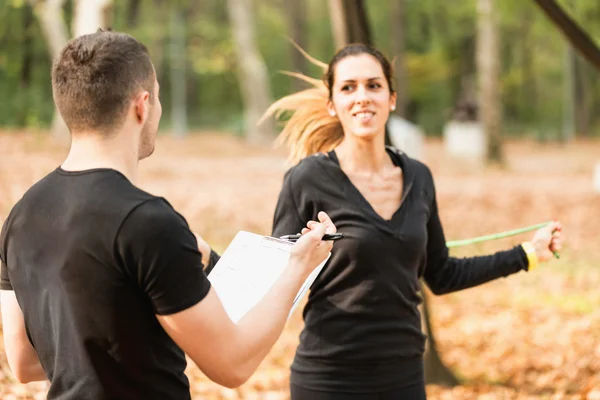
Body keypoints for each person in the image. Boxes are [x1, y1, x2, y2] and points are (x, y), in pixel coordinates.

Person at [0, 30, 337, 400]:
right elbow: (232, 364)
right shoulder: (147, 223)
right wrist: (298, 266)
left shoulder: (19, 219)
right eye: (158, 98)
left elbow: (24, 362)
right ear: (142, 106)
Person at [263, 43, 563, 399]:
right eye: (348, 87)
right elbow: (271, 281)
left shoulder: (419, 178)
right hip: (328, 378)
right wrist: (301, 258)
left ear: (391, 98)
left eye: (373, 86)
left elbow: (442, 274)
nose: (362, 97)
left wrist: (528, 253)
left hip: (403, 377)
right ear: (332, 105)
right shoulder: (306, 179)